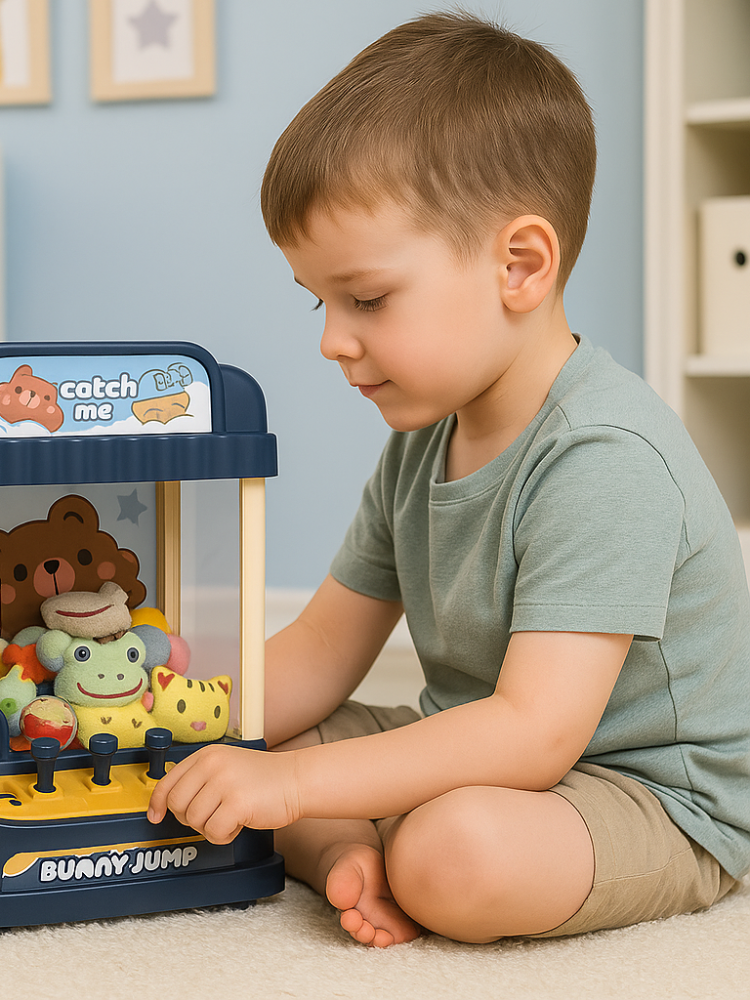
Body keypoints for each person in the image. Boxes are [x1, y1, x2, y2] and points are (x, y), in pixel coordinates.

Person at [147, 12, 750, 946]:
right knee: (255, 743)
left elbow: (535, 733)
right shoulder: (424, 442)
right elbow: (322, 647)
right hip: (479, 743)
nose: (332, 341)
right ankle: (349, 852)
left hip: (647, 792)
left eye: (367, 299)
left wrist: (293, 788)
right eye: (320, 303)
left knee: (453, 853)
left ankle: (373, 843)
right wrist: (167, 714)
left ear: (520, 266)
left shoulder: (605, 455)